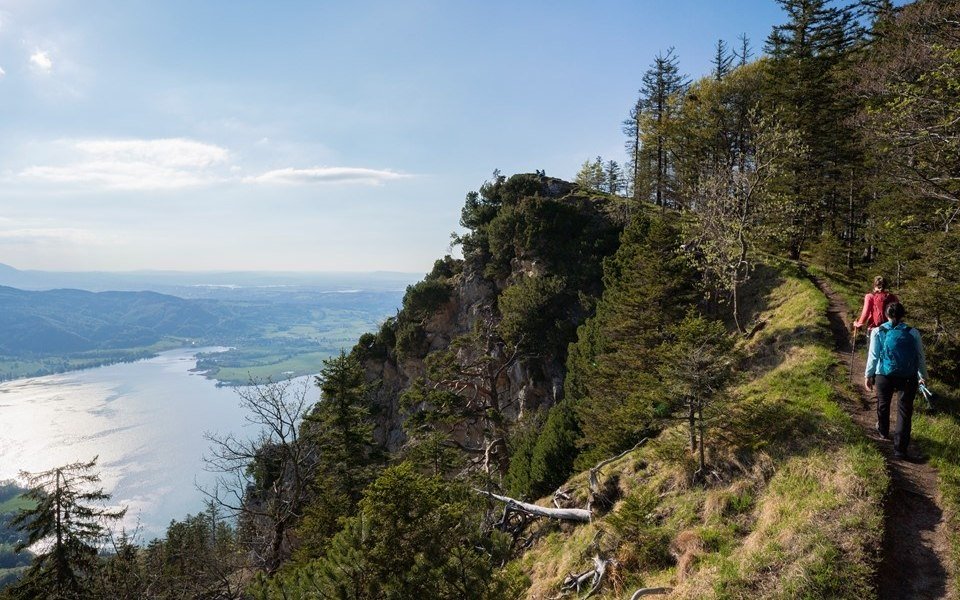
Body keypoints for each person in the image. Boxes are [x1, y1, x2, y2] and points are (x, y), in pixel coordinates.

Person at [864, 302, 927, 460]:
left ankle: (883, 431)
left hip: (884, 375)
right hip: (908, 376)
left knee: (883, 404)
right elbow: (919, 356)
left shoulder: (878, 331)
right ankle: (900, 450)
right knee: (904, 412)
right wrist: (922, 376)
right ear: (903, 315)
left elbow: (873, 356)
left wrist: (868, 375)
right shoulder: (912, 332)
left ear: (886, 314)